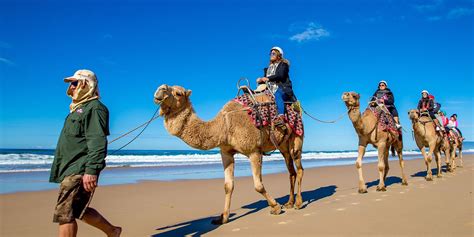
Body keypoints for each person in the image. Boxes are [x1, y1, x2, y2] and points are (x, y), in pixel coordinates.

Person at [49, 69, 121, 237]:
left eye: (75, 83)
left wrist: (91, 171)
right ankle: (113, 231)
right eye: (71, 84)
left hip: (79, 169)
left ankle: (113, 231)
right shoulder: (77, 109)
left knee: (65, 215)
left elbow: (97, 141)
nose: (71, 87)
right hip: (69, 167)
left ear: (85, 85)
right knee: (77, 211)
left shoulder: (95, 108)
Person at [256, 46, 297, 125]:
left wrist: (267, 78)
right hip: (269, 89)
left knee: (277, 95)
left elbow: (280, 75)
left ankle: (281, 117)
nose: (271, 54)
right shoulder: (268, 69)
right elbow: (266, 80)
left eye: (273, 53)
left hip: (282, 88)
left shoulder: (283, 65)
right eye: (270, 53)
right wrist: (260, 80)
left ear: (279, 55)